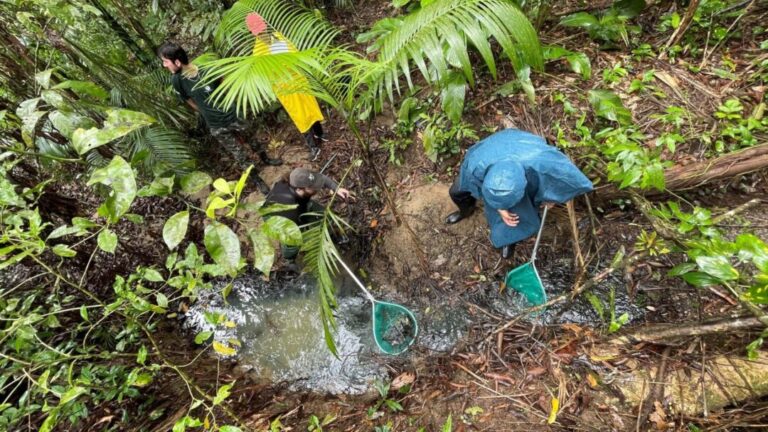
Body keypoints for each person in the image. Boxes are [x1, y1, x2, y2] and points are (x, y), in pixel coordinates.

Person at [445, 129, 593, 259]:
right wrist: (501, 209)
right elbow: (471, 181)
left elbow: (573, 180)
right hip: (494, 150)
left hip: (523, 147)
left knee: (518, 215)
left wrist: (552, 196)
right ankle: (466, 210)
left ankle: (509, 239)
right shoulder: (475, 164)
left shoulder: (542, 161)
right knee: (456, 192)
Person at [157, 42, 282, 194]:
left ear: (177, 62)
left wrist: (227, 104)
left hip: (232, 115)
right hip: (216, 125)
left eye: (165, 61)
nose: (164, 65)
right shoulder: (177, 81)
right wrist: (205, 110)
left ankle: (265, 159)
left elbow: (223, 82)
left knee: (251, 139)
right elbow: (188, 100)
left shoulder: (206, 71)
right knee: (239, 154)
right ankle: (257, 180)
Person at [247, 13, 326, 160]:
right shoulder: (257, 52)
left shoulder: (279, 37)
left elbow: (295, 52)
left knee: (311, 107)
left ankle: (320, 134)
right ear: (253, 33)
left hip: (299, 78)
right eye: (258, 31)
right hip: (285, 87)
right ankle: (313, 147)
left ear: (265, 25)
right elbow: (263, 74)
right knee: (299, 115)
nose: (262, 33)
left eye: (262, 29)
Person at [265, 168, 350, 263]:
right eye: (312, 187)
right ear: (299, 189)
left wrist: (336, 188)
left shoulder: (294, 179)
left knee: (324, 215)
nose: (317, 188)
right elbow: (297, 230)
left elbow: (321, 178)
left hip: (300, 203)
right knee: (293, 243)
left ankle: (332, 235)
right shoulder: (290, 210)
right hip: (277, 218)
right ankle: (289, 259)